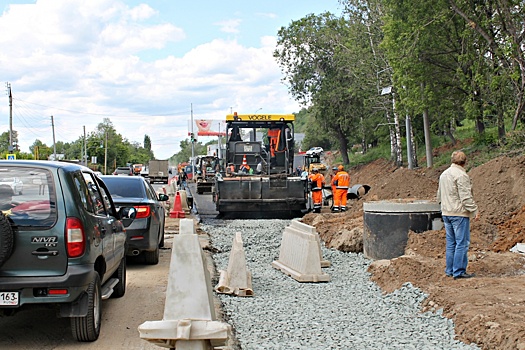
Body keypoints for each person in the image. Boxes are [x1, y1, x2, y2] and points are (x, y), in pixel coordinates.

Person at [437, 151, 479, 280]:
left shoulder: (444, 174)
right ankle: (459, 271)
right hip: (458, 214)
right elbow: (465, 197)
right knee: (462, 243)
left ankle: (450, 270)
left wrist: (443, 206)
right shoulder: (461, 175)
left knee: (451, 243)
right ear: (465, 162)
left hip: (446, 212)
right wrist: (474, 210)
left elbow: (439, 195)